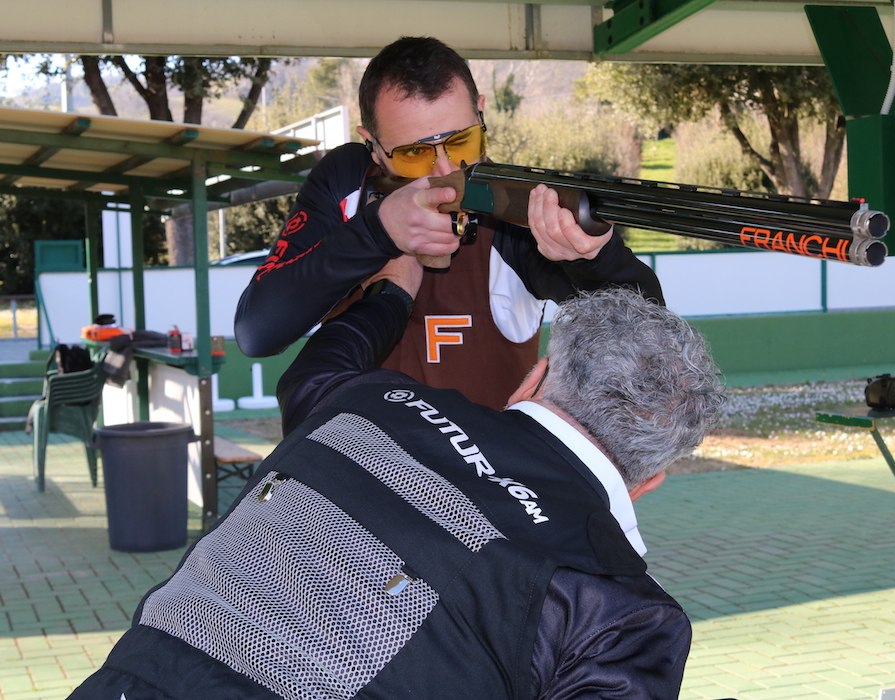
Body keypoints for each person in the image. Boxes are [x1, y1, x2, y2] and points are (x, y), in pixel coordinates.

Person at [68, 254, 723, 700]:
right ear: (647, 483)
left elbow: (311, 372)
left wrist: (395, 286)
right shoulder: (624, 613)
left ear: (536, 380)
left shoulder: (369, 402)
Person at [234, 36, 664, 412]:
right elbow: (258, 331)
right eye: (414, 154)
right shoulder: (349, 181)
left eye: (462, 141)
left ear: (481, 114)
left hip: (475, 495)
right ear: (374, 147)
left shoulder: (513, 206)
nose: (443, 169)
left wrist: (594, 256)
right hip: (352, 482)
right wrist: (378, 230)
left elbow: (646, 327)